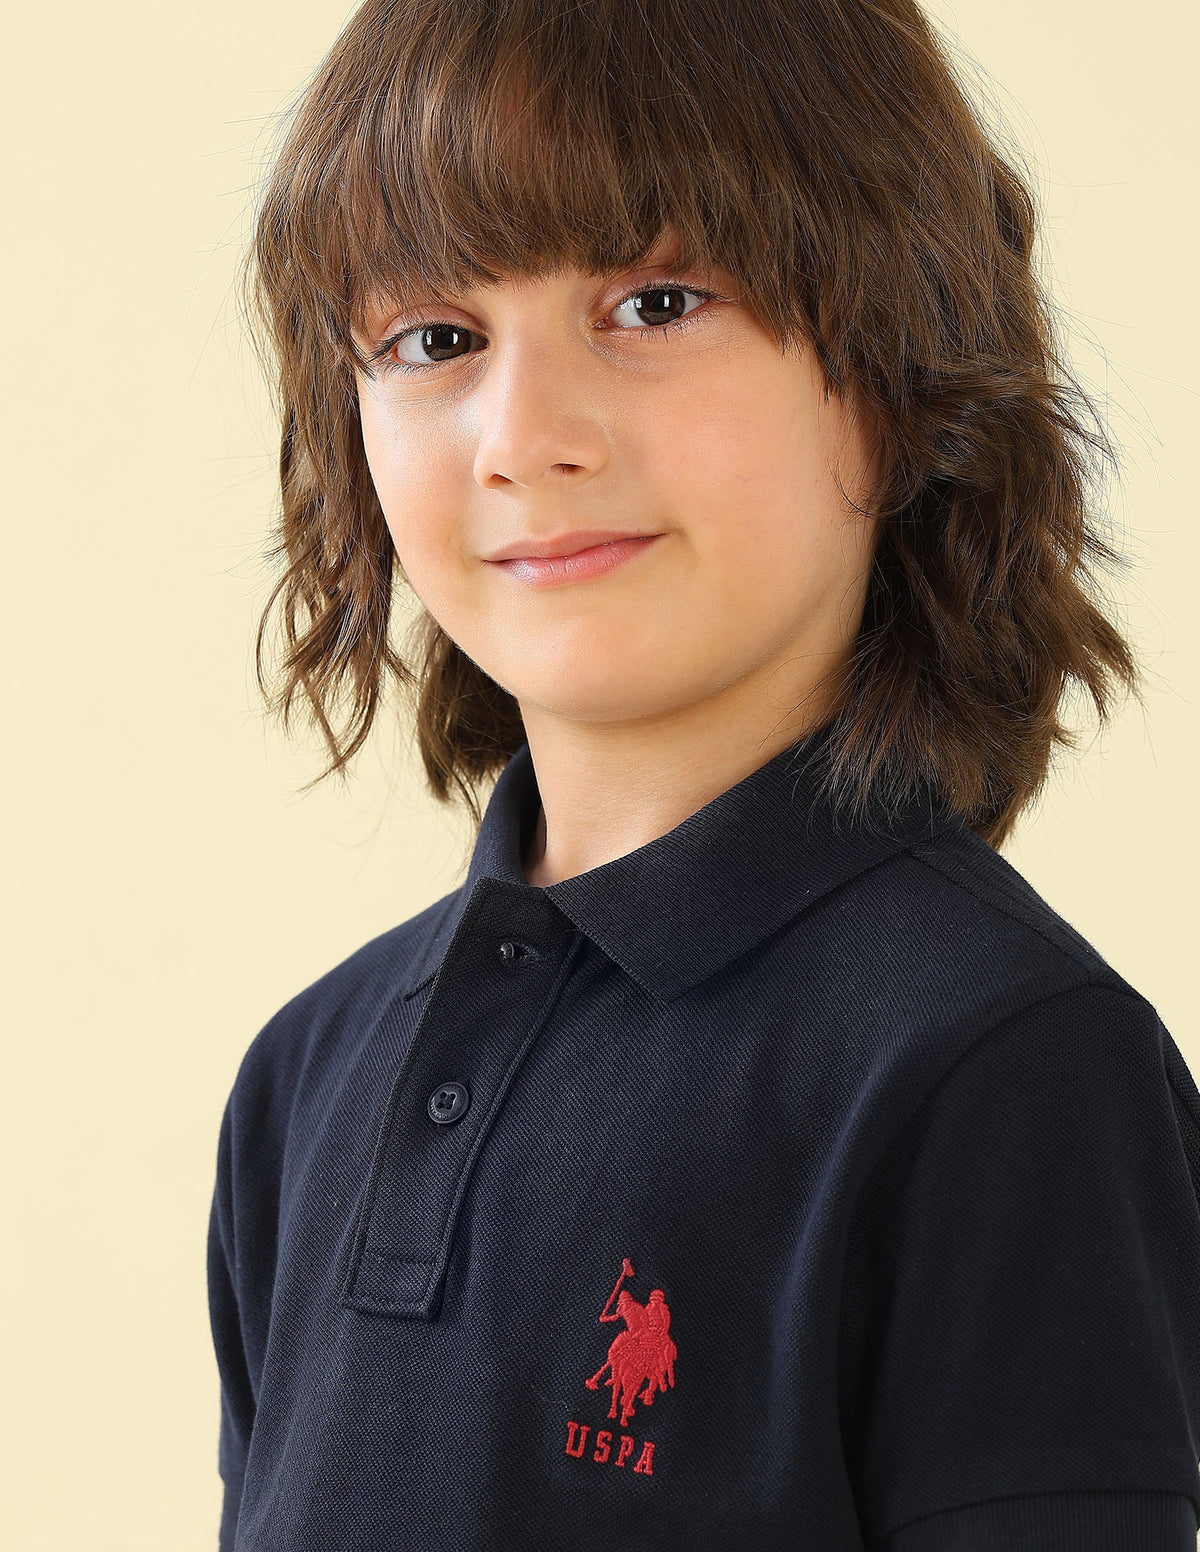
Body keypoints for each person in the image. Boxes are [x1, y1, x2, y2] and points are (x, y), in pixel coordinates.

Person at [207, 0, 1200, 1546]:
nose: (523, 437)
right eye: (436, 340)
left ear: (901, 377)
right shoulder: (304, 1078)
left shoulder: (1009, 1069)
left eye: (656, 302)